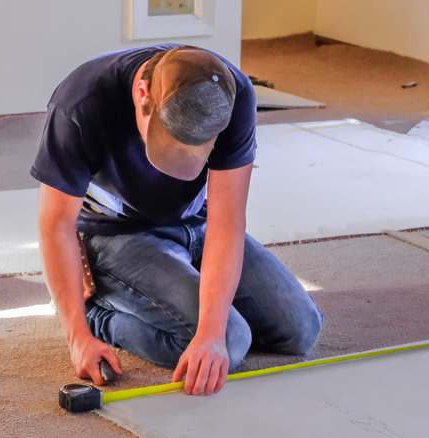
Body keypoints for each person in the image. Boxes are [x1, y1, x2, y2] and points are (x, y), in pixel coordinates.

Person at [31, 44, 323, 396]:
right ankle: (99, 316)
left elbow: (226, 222)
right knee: (232, 342)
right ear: (142, 95)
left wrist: (210, 334)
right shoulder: (81, 103)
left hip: (196, 223)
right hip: (115, 236)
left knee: (299, 331)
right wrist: (76, 334)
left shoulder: (234, 95)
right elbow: (56, 226)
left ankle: (180, 300)